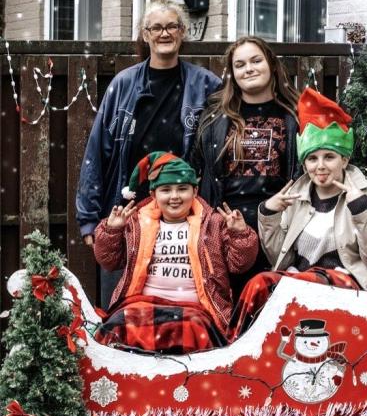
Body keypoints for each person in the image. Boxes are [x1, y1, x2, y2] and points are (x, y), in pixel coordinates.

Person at [230, 88, 367, 340]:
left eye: (329, 157)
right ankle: (234, 347)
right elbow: (278, 256)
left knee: (301, 287)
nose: (321, 166)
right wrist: (269, 214)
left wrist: (361, 208)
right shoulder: (297, 192)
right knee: (259, 284)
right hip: (301, 281)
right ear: (304, 164)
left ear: (344, 160)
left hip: (350, 282)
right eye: (312, 158)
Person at [76, 0, 221, 308]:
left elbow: (225, 143)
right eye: (156, 27)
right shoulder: (123, 84)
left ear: (183, 33)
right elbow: (96, 152)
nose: (164, 33)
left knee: (182, 301)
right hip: (128, 211)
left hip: (185, 213)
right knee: (123, 305)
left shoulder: (206, 85)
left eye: (171, 26)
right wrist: (89, 218)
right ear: (144, 34)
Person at [93, 152, 258, 354]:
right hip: (142, 305)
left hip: (195, 310)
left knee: (194, 327)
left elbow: (239, 264)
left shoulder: (214, 223)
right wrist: (112, 230)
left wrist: (239, 234)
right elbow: (108, 261)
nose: (174, 197)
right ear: (154, 195)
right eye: (166, 190)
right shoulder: (136, 223)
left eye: (182, 189)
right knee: (119, 326)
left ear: (195, 191)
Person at [191, 36, 300, 287]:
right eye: (240, 65)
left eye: (255, 60)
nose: (248, 68)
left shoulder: (295, 114)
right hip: (226, 227)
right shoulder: (214, 118)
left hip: (278, 225)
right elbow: (196, 170)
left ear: (271, 64)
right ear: (232, 73)